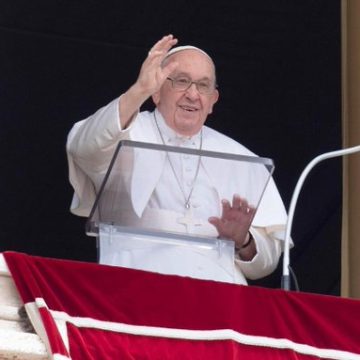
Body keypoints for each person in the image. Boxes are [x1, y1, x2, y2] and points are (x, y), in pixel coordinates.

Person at [67, 34, 288, 285]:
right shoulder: (127, 130)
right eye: (182, 82)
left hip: (220, 297)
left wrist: (243, 240)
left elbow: (267, 262)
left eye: (203, 86)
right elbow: (84, 148)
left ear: (213, 101)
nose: (193, 95)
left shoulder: (242, 158)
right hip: (136, 286)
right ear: (157, 92)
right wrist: (138, 91)